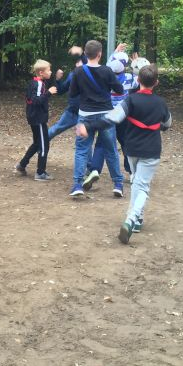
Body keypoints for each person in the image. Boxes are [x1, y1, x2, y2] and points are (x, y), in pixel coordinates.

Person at [77, 64, 171, 244]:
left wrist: (88, 127)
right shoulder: (161, 103)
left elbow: (111, 119)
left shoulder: (130, 100)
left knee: (136, 181)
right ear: (156, 82)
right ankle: (131, 219)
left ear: (138, 80)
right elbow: (167, 124)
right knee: (142, 186)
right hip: (151, 150)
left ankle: (138, 220)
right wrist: (156, 125)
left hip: (132, 149)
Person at [67, 40, 124, 198]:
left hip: (85, 115)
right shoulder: (107, 71)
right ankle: (118, 184)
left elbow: (72, 93)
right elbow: (119, 90)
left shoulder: (78, 72)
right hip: (106, 115)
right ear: (100, 54)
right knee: (111, 150)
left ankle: (77, 184)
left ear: (85, 54)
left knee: (82, 150)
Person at [89, 44, 139, 183]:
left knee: (101, 143)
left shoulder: (104, 77)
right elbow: (141, 76)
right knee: (126, 143)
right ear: (125, 66)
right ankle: (132, 172)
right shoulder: (129, 78)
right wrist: (137, 63)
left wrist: (114, 53)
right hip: (124, 115)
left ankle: (94, 169)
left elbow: (105, 67)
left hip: (108, 114)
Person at [15, 60, 57, 180]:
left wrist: (57, 79)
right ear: (41, 73)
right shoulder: (38, 84)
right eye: (49, 70)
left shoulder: (36, 82)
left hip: (34, 117)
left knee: (37, 143)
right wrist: (48, 93)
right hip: (38, 119)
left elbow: (39, 94)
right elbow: (35, 101)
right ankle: (40, 173)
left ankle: (22, 165)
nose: (51, 72)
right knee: (44, 145)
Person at [48, 46, 83, 140]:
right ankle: (39, 143)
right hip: (73, 112)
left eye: (82, 62)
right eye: (78, 62)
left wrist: (81, 52)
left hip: (87, 113)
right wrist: (58, 79)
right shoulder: (72, 75)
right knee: (55, 129)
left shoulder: (93, 74)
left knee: (84, 139)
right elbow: (60, 90)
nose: (79, 63)